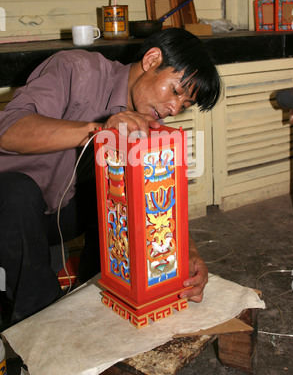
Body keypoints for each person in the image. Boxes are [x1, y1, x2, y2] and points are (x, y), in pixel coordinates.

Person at [0, 27, 221, 329]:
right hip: (9, 211)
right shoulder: (77, 69)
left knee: (119, 197)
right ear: (152, 60)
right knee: (17, 193)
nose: (173, 108)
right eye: (175, 90)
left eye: (184, 105)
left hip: (59, 213)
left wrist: (187, 251)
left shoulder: (147, 125)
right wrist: (99, 130)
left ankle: (101, 299)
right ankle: (39, 326)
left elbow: (156, 197)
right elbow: (8, 130)